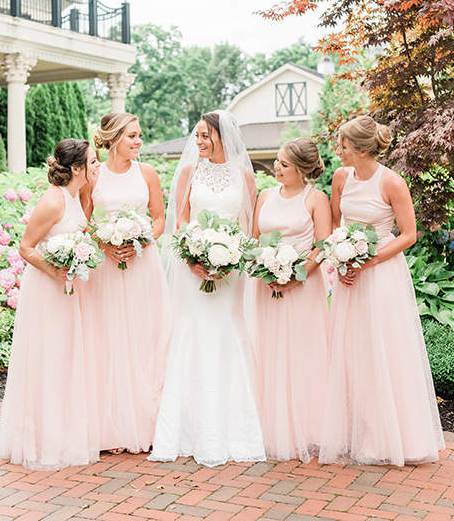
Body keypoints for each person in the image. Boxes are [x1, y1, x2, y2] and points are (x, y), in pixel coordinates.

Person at [319, 115, 445, 465]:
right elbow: (334, 223)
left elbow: (408, 234)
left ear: (359, 148)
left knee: (384, 349)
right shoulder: (341, 177)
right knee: (352, 351)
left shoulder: (391, 182)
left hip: (381, 275)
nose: (338, 150)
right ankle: (360, 429)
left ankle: (388, 436)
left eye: (342, 145)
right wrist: (339, 258)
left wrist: (368, 261)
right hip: (348, 276)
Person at [149, 110, 266, 467]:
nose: (198, 142)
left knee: (227, 332)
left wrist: (230, 257)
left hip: (230, 273)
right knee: (193, 332)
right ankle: (185, 429)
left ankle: (232, 427)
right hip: (192, 267)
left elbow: (249, 227)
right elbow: (179, 218)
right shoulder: (189, 171)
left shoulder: (245, 176)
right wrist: (194, 255)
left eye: (204, 136)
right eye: (196, 136)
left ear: (222, 137)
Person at [0, 139, 101, 470]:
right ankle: (41, 439)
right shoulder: (53, 201)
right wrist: (56, 270)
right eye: (93, 162)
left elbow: (84, 226)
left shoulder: (72, 195)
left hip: (67, 288)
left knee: (67, 357)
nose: (98, 166)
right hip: (48, 288)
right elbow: (26, 247)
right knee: (50, 355)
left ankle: (64, 433)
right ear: (76, 169)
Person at [87, 112, 171, 455]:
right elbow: (86, 220)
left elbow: (159, 218)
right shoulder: (95, 175)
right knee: (109, 337)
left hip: (143, 264)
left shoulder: (146, 173)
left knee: (145, 335)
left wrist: (140, 240)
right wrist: (105, 243)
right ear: (113, 138)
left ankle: (148, 423)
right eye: (132, 136)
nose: (138, 142)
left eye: (139, 135)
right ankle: (115, 426)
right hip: (106, 268)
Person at [250, 138, 331, 462]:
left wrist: (295, 276)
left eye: (284, 164)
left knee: (303, 351)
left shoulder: (316, 198)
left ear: (301, 169)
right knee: (268, 349)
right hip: (266, 286)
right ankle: (268, 423)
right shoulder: (266, 195)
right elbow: (254, 239)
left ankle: (308, 426)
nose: (277, 168)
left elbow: (322, 245)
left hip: (302, 287)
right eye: (278, 162)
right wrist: (264, 269)